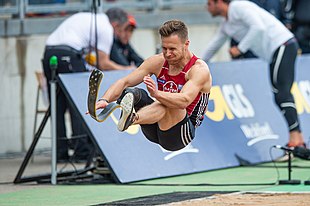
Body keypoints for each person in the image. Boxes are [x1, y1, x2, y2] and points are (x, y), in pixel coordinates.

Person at [203, 0, 309, 160]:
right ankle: (297, 141)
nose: (207, 7)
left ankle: (296, 143)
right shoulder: (227, 24)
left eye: (209, 3)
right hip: (275, 52)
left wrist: (240, 48)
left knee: (282, 94)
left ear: (219, 3)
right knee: (280, 95)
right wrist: (196, 65)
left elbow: (258, 27)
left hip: (283, 44)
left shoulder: (239, 7)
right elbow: (213, 46)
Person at [92, 20, 212, 151]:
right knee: (133, 92)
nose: (167, 54)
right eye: (164, 48)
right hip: (154, 126)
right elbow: (124, 81)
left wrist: (156, 94)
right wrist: (105, 99)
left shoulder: (199, 70)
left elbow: (184, 101)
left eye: (172, 49)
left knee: (171, 102)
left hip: (179, 135)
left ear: (186, 44)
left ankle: (132, 119)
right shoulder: (158, 61)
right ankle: (130, 118)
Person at [42, 8, 131, 162]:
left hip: (49, 53)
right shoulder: (106, 28)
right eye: (121, 30)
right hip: (69, 54)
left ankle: (60, 154)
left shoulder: (87, 17)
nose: (118, 34)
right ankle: (82, 152)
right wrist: (127, 70)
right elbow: (104, 63)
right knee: (80, 104)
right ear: (115, 25)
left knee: (57, 107)